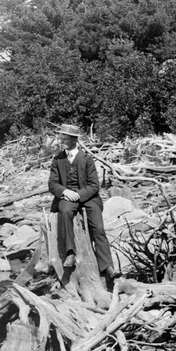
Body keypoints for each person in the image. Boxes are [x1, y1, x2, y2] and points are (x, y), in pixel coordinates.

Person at [47, 123, 119, 291]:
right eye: (61, 137)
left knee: (98, 226)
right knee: (64, 211)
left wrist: (79, 195)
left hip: (87, 197)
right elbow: (52, 184)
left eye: (65, 138)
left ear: (74, 140)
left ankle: (107, 266)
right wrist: (65, 192)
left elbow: (94, 185)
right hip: (67, 197)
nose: (61, 140)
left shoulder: (86, 159)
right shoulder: (57, 160)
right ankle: (70, 253)